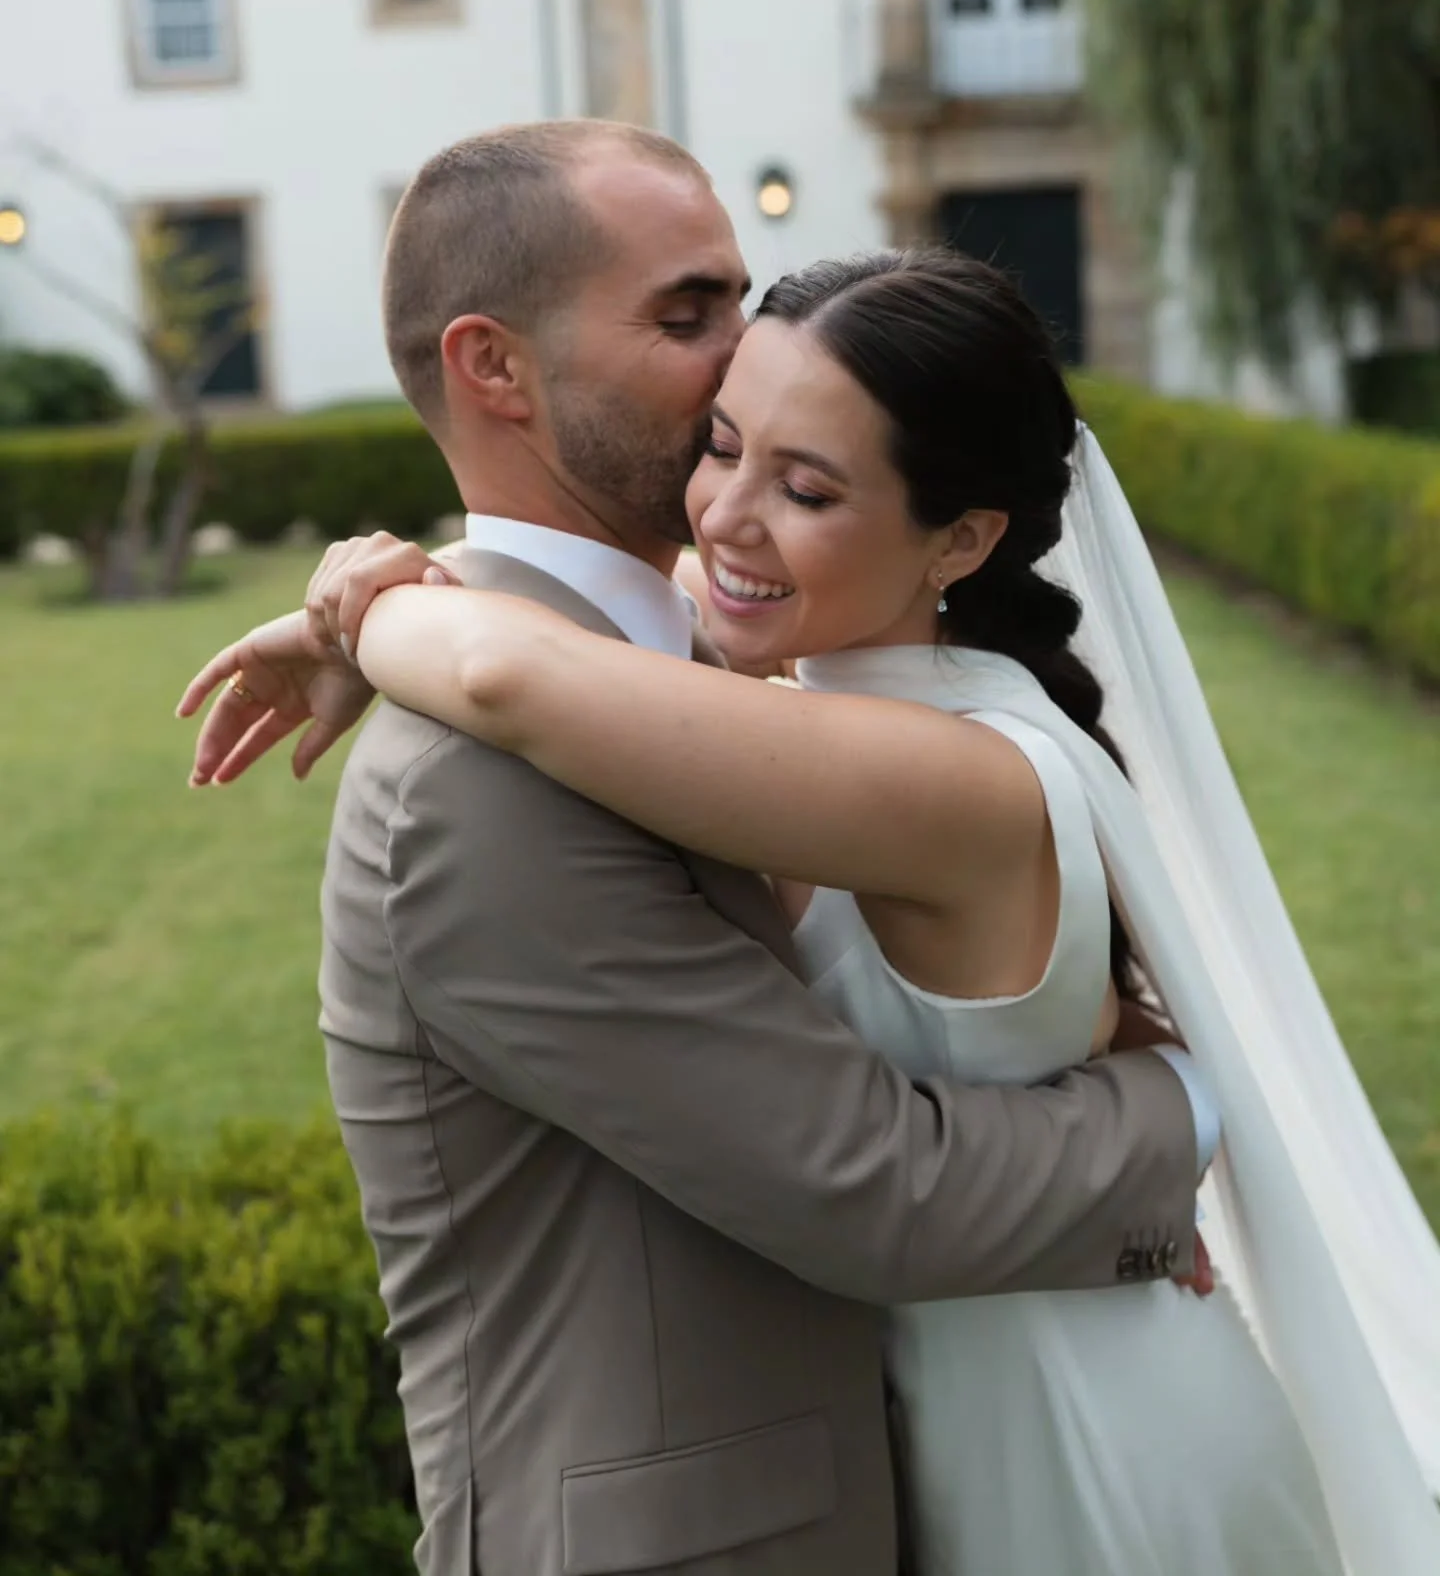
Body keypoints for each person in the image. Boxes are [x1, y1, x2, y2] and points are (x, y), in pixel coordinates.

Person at [178, 123, 1218, 1576]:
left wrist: (375, 608)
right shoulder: (475, 790)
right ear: (494, 369)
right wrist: (1191, 1110)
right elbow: (866, 1182)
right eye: (688, 316)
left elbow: (530, 661)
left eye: (740, 293)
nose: (748, 350)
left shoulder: (692, 670)